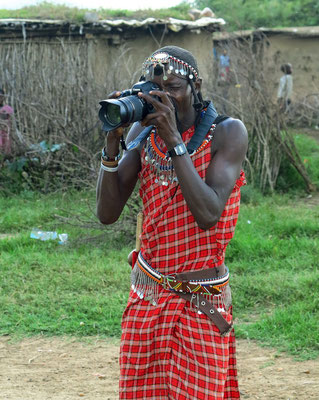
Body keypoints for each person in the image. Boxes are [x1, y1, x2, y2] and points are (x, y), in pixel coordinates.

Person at [96, 45, 248, 399]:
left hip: (200, 300)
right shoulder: (143, 134)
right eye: (154, 87)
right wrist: (112, 142)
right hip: (148, 297)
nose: (163, 96)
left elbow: (209, 214)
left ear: (196, 87)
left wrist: (175, 141)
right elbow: (107, 214)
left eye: (174, 86)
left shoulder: (228, 133)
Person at [0, 88, 13, 155]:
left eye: (1, 97)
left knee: (5, 149)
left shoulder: (7, 108)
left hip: (5, 132)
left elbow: (11, 121)